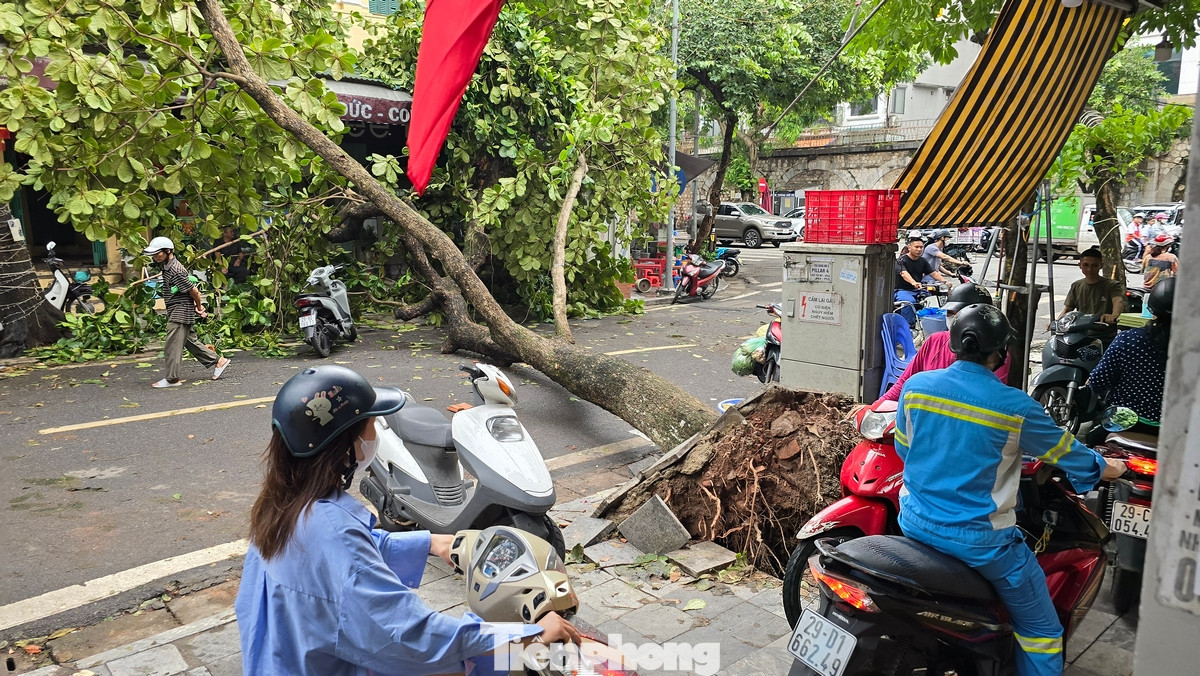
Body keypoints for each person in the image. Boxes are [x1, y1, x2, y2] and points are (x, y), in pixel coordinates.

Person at [236, 365, 581, 675]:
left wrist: (432, 542)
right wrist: (530, 634)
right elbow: (411, 637)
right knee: (484, 661)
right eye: (371, 425)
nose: (374, 435)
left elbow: (343, 559)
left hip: (286, 660)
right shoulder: (334, 532)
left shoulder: (284, 508)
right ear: (345, 445)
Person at [896, 305, 1126, 676]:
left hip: (914, 523)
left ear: (953, 344)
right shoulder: (1015, 407)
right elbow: (1068, 453)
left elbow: (906, 450)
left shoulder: (917, 387)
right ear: (1002, 353)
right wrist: (1108, 467)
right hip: (981, 543)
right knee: (1042, 631)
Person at [878, 282, 1010, 402]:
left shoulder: (995, 355)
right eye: (949, 313)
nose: (950, 317)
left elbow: (987, 398)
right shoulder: (934, 341)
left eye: (955, 313)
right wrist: (875, 407)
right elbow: (902, 383)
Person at [1088, 277, 1174, 430]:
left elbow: (1098, 381)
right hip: (1173, 430)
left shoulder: (1128, 339)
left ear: (1152, 308)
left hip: (1125, 423)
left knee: (1091, 442)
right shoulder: (1191, 349)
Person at [145, 237, 230, 388]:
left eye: (157, 253)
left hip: (180, 311)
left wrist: (199, 307)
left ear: (168, 251)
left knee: (172, 345)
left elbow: (194, 291)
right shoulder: (167, 266)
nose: (154, 256)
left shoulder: (176, 270)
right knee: (190, 343)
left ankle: (172, 379)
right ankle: (218, 361)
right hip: (177, 309)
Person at [1055, 248, 1124, 344]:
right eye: (1086, 265)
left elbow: (1118, 301)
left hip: (1104, 335)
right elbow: (1067, 309)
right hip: (1079, 334)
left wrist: (1113, 315)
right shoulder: (1076, 285)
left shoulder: (1112, 285)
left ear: (1101, 266)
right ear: (1080, 265)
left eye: (1094, 265)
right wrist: (1056, 323)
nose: (1089, 269)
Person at [895, 234, 946, 328]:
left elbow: (933, 273)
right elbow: (904, 273)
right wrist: (913, 282)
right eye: (916, 247)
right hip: (902, 290)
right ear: (909, 247)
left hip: (919, 289)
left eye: (921, 247)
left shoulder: (922, 261)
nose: (919, 249)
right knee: (909, 302)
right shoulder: (901, 260)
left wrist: (945, 282)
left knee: (933, 299)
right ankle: (908, 326)